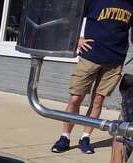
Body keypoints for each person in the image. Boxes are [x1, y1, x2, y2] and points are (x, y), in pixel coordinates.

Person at [51, 0, 133, 155]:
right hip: (90, 57)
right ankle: (65, 137)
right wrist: (76, 39)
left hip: (115, 62)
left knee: (97, 101)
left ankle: (85, 138)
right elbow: (69, 18)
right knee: (75, 98)